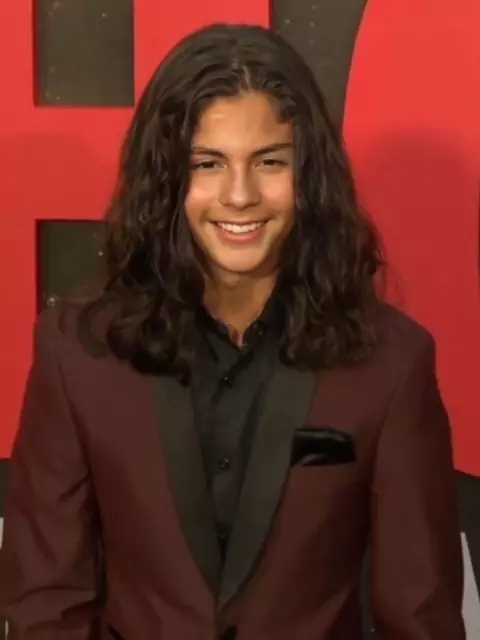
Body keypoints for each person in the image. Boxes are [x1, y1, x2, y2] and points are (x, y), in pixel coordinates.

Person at [0, 23, 465, 640]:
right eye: (208, 164)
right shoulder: (77, 353)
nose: (240, 195)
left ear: (310, 175)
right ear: (166, 178)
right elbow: (47, 606)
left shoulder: (392, 363)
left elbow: (420, 615)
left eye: (270, 161)